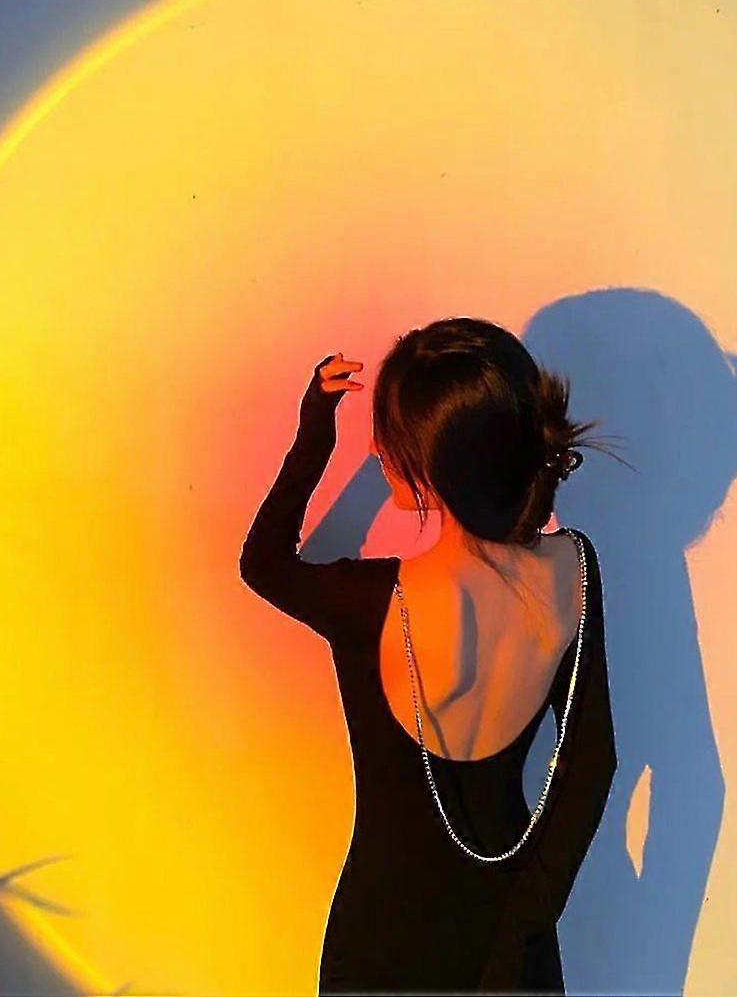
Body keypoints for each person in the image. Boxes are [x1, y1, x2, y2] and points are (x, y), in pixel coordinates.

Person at [239, 317, 619, 995]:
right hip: (511, 938)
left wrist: (316, 433)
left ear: (434, 466)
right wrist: (523, 934)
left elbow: (262, 562)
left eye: (389, 439)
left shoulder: (368, 601)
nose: (378, 450)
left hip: (380, 944)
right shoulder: (574, 572)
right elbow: (593, 766)